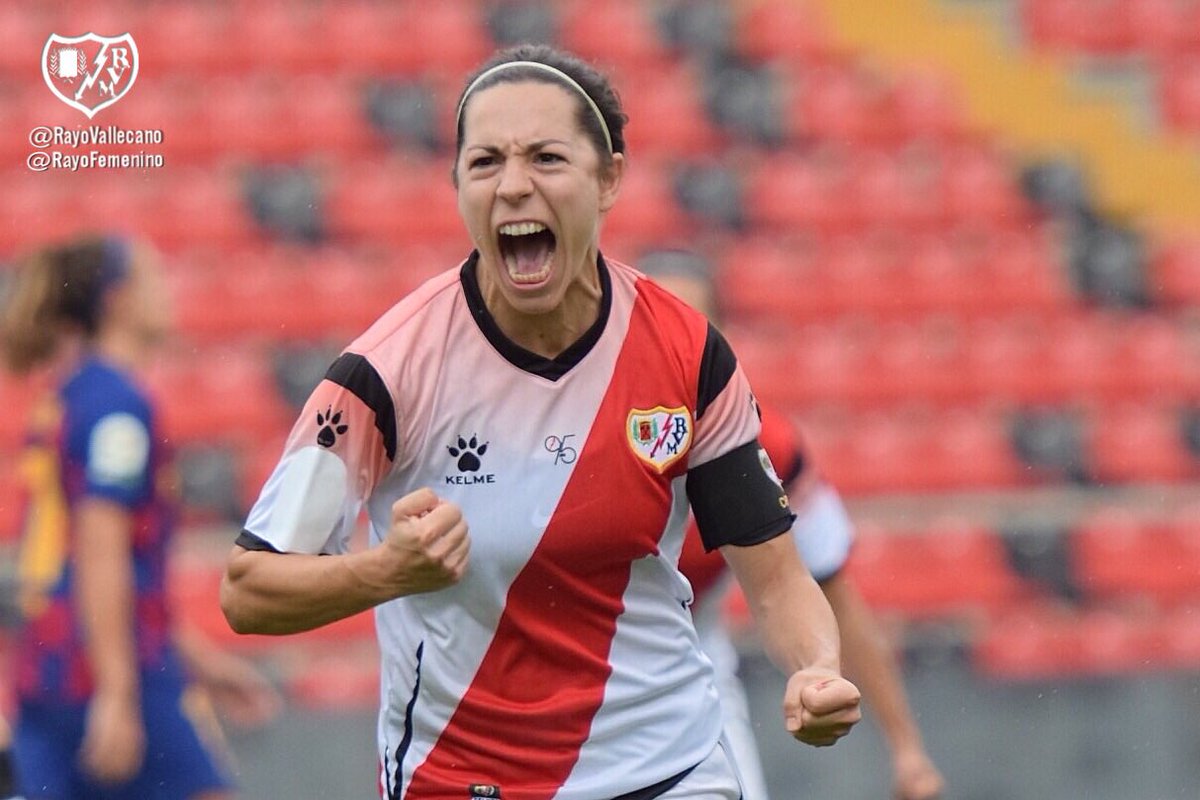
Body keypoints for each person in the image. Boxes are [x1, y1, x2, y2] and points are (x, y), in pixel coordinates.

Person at [220, 43, 861, 800]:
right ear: (456, 183)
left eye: (546, 158)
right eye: (485, 162)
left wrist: (816, 669)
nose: (513, 186)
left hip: (669, 769)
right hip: (461, 781)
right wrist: (385, 572)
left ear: (610, 177)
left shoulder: (686, 352)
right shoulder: (386, 371)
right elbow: (248, 590)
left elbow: (779, 578)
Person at [640, 250, 945, 800]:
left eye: (691, 329)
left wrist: (906, 748)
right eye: (656, 329)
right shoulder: (566, 436)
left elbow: (832, 595)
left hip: (691, 677)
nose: (671, 350)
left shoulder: (766, 447)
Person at [0, 235, 281, 800]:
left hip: (48, 673)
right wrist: (117, 694)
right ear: (119, 299)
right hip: (108, 673)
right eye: (154, 277)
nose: (166, 292)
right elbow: (100, 554)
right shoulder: (117, 408)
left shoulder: (68, 396)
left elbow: (96, 563)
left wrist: (200, 662)